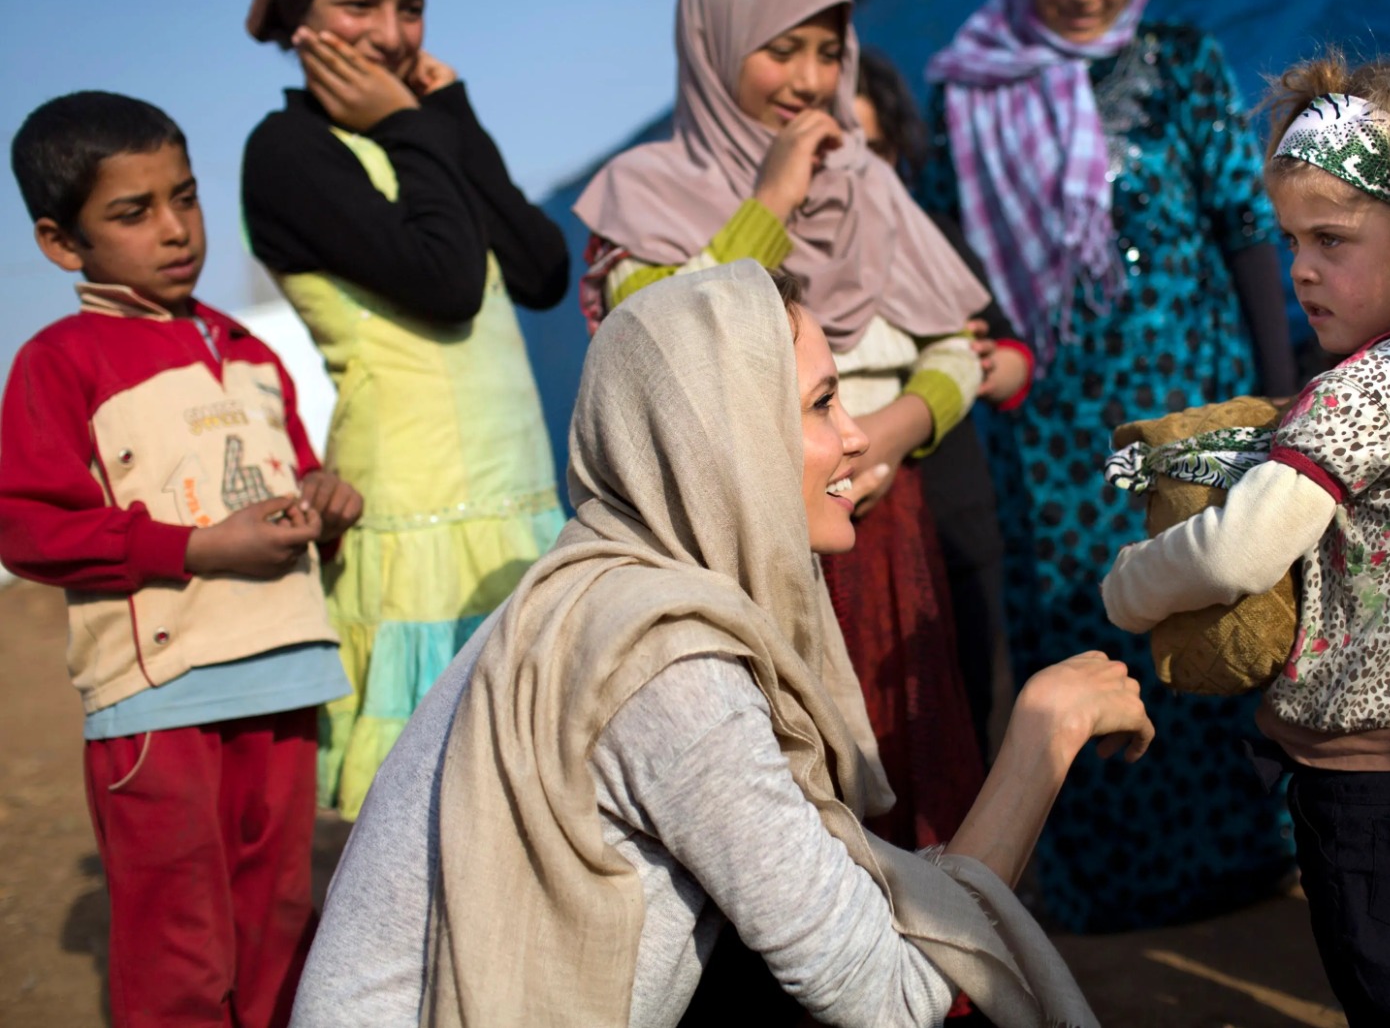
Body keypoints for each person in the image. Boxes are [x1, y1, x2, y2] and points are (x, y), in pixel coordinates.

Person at [290, 261, 1154, 1028]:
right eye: (820, 403)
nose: (856, 436)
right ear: (719, 441)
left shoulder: (588, 591)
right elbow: (892, 998)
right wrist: (1042, 737)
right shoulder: (668, 669)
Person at [1102, 45, 1390, 1025]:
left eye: (1331, 239)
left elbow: (1237, 551)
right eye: (1288, 240)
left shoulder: (1363, 390)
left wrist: (1129, 583)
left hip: (1381, 804)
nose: (1300, 270)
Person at [574, 0, 993, 851]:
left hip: (886, 529)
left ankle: (937, 982)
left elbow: (959, 347)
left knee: (910, 760)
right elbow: (661, 346)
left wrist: (885, 433)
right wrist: (767, 201)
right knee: (786, 792)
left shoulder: (867, 184)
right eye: (780, 50)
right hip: (749, 548)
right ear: (714, 45)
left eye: (827, 51)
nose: (808, 80)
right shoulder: (644, 194)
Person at [923, 0, 1298, 930]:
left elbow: (1245, 228)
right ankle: (1113, 884)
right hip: (1058, 438)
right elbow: (939, 261)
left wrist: (1275, 394)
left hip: (1192, 403)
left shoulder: (1180, 64)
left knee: (1215, 598)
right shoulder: (963, 96)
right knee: (1089, 617)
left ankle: (1254, 850)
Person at [1, 92, 361, 1028]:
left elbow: (293, 474)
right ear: (59, 240)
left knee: (281, 920)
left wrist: (325, 504)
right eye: (133, 211)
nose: (176, 230)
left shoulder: (248, 352)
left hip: (282, 674)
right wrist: (198, 546)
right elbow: (29, 525)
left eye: (186, 197)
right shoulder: (60, 360)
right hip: (163, 699)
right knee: (181, 944)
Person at [242, 0, 570, 819]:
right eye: (357, 5)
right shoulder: (287, 153)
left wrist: (447, 117)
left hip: (519, 509)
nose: (390, 34)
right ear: (296, 22)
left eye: (411, 7)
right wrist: (407, 124)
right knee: (439, 805)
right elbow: (448, 281)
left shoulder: (419, 132)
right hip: (421, 522)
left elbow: (541, 269)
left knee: (544, 785)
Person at [854, 47, 1032, 755]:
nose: (858, 172)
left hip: (954, 532)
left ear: (899, 152)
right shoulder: (786, 270)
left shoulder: (932, 243)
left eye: (874, 151)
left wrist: (984, 366)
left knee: (976, 727)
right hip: (858, 542)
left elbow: (1016, 356)